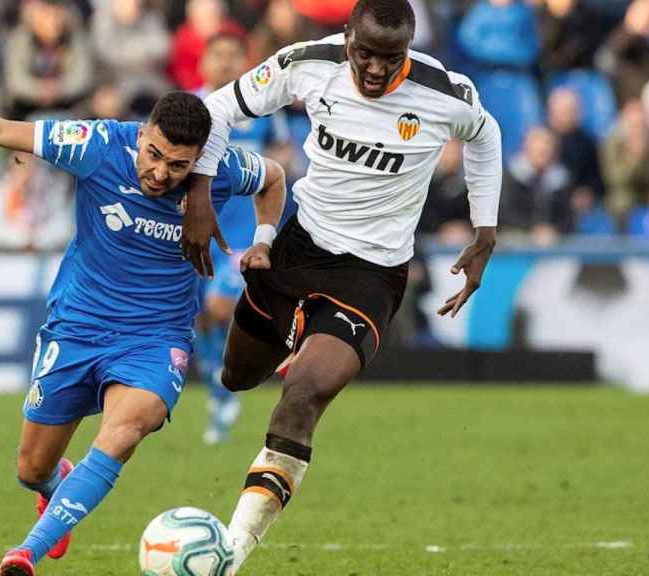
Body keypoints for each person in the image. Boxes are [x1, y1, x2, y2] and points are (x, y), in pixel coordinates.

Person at [0, 92, 287, 576]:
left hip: (156, 336)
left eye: (178, 166)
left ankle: (24, 554)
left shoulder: (222, 172)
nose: (160, 173)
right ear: (142, 133)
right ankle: (55, 486)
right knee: (31, 469)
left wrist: (263, 241)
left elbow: (274, 179)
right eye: (153, 154)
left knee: (128, 426)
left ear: (199, 160)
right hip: (77, 327)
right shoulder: (97, 145)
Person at [179, 0, 502, 571]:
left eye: (390, 58)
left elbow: (486, 134)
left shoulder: (444, 93)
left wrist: (485, 229)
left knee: (301, 395)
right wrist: (200, 194)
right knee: (235, 376)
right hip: (298, 248)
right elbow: (217, 106)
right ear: (346, 34)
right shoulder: (307, 62)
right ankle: (288, 346)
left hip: (371, 275)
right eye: (365, 54)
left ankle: (230, 552)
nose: (376, 70)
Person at [194, 31, 294, 445]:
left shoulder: (263, 108)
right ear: (203, 62)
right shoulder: (191, 107)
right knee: (199, 319)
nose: (224, 63)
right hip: (196, 231)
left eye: (233, 55)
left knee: (220, 308)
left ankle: (229, 385)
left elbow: (287, 155)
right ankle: (219, 395)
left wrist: (262, 170)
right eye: (217, 55)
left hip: (240, 234)